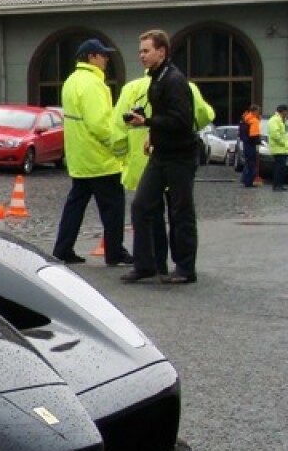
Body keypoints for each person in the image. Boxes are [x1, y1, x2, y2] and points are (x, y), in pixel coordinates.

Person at [114, 77, 216, 277]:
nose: (142, 54)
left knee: (149, 213)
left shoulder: (131, 89)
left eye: (145, 50)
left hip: (142, 160)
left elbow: (117, 125)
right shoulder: (186, 85)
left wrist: (120, 154)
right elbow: (204, 114)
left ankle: (153, 262)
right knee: (178, 211)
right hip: (169, 156)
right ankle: (181, 265)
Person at [121, 29, 197, 285]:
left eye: (146, 51)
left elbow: (183, 120)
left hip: (180, 156)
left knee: (181, 211)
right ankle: (146, 265)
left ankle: (186, 269)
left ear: (161, 52)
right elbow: (167, 116)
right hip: (161, 153)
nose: (141, 55)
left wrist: (148, 122)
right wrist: (152, 132)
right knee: (141, 205)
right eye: (140, 51)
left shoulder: (174, 80)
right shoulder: (157, 77)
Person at [53, 38, 130, 265]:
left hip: (79, 158)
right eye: (102, 55)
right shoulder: (94, 84)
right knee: (113, 209)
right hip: (100, 160)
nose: (106, 59)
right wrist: (117, 145)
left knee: (74, 207)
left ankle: (63, 248)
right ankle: (115, 252)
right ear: (91, 57)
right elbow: (99, 123)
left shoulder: (71, 81)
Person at [266, 103, 288, 192]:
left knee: (281, 169)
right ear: (283, 111)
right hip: (279, 149)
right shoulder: (274, 120)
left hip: (283, 149)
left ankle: (279, 185)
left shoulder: (281, 120)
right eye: (287, 111)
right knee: (279, 169)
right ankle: (277, 186)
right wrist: (283, 143)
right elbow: (275, 134)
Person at [239, 104, 263, 187]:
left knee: (248, 162)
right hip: (251, 144)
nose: (259, 113)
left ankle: (245, 180)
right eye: (258, 111)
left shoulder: (246, 118)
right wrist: (258, 142)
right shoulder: (254, 120)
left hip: (246, 144)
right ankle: (248, 182)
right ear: (254, 111)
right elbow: (254, 135)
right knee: (252, 163)